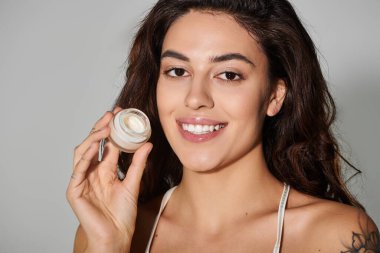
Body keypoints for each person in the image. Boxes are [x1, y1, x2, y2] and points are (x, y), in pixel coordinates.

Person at [66, 0, 380, 252]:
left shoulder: (335, 236)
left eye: (228, 75)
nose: (195, 98)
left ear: (274, 96)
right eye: (177, 71)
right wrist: (109, 246)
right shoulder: (107, 231)